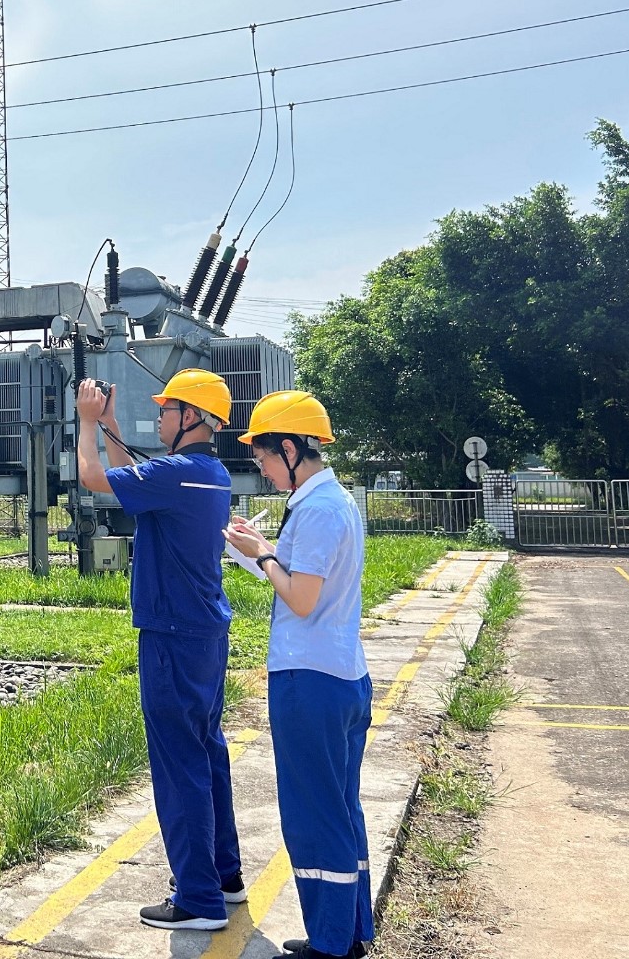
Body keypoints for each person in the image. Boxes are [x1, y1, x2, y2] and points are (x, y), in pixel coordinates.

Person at [75, 368, 245, 932]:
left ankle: (197, 899)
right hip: (204, 632)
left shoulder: (176, 474)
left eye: (168, 409)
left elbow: (93, 478)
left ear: (191, 416)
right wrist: (113, 426)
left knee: (179, 764)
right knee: (207, 752)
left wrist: (86, 424)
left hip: (172, 633)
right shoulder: (209, 473)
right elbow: (133, 481)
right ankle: (224, 877)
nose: (161, 417)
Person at [223, 391, 372, 959]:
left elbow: (301, 598)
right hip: (341, 675)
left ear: (289, 449)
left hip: (309, 680)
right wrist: (256, 548)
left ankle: (329, 944)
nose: (260, 468)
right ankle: (349, 932)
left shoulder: (315, 511)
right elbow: (301, 577)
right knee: (340, 808)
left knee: (313, 813)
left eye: (263, 456)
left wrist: (262, 555)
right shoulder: (334, 501)